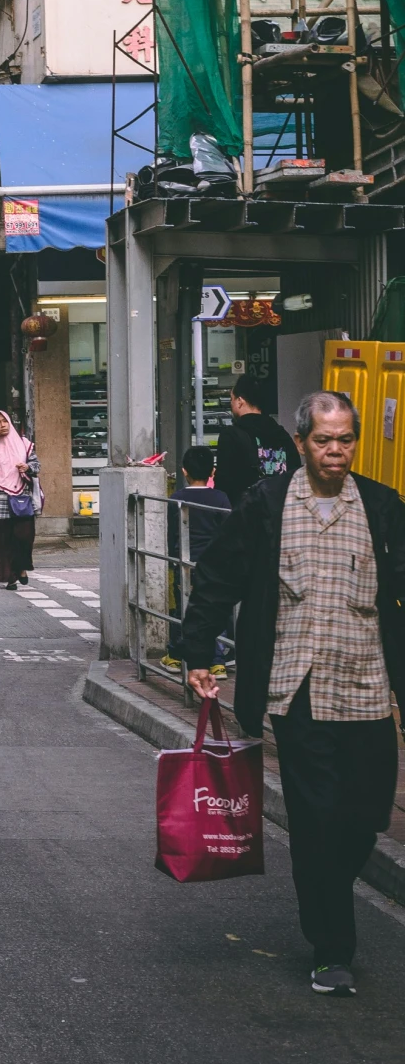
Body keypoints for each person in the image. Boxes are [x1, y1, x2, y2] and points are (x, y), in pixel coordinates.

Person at [182, 389, 405, 996]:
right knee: (317, 818)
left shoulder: (384, 508)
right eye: (324, 440)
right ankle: (332, 946)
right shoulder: (267, 504)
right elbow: (218, 578)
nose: (336, 452)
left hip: (366, 686)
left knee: (365, 815)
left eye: (346, 440)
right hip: (296, 690)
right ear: (302, 443)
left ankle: (328, 892)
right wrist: (197, 653)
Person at [162, 443, 232, 673]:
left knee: (182, 609)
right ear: (213, 472)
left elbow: (172, 532)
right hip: (214, 567)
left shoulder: (177, 498)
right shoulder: (221, 498)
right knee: (214, 611)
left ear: (184, 471)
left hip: (185, 564)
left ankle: (175, 654)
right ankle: (217, 662)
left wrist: (173, 558)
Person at [213, 374, 299, 510]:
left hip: (245, 517)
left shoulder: (231, 435)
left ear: (240, 401)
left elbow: (224, 484)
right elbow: (295, 472)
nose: (231, 403)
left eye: (232, 399)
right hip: (279, 515)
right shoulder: (282, 435)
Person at [0, 409, 39, 589]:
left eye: (4, 421)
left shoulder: (24, 444)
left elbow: (37, 466)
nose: (2, 425)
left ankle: (22, 567)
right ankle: (11, 576)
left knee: (25, 536)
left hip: (21, 496)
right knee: (4, 540)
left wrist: (27, 467)